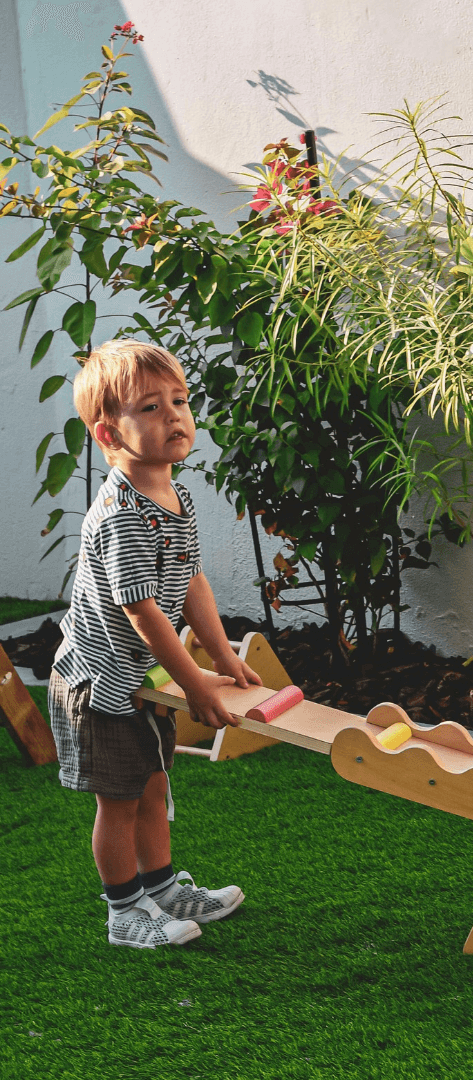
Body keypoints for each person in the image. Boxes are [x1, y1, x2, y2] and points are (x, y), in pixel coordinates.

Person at [50, 339, 262, 949]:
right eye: (149, 407)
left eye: (179, 400)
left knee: (153, 782)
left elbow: (191, 578)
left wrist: (223, 655)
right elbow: (143, 611)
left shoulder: (174, 494)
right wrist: (194, 685)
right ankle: (124, 912)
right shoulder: (121, 513)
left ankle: (163, 888)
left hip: (139, 681)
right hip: (101, 684)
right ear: (107, 434)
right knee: (117, 801)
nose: (173, 416)